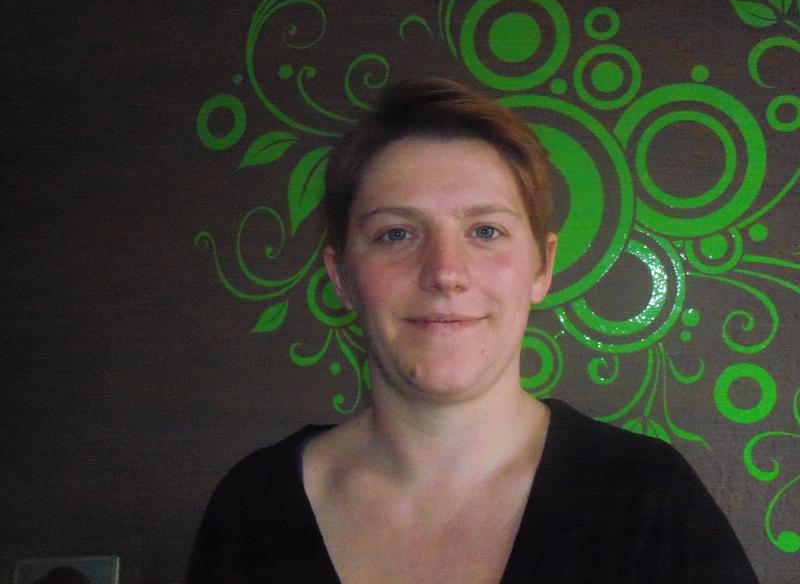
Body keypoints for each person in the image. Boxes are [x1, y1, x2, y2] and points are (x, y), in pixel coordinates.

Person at [186, 78, 757, 583]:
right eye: (395, 234)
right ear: (342, 277)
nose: (445, 273)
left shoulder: (650, 503)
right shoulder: (255, 509)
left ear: (542, 267)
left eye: (485, 231)